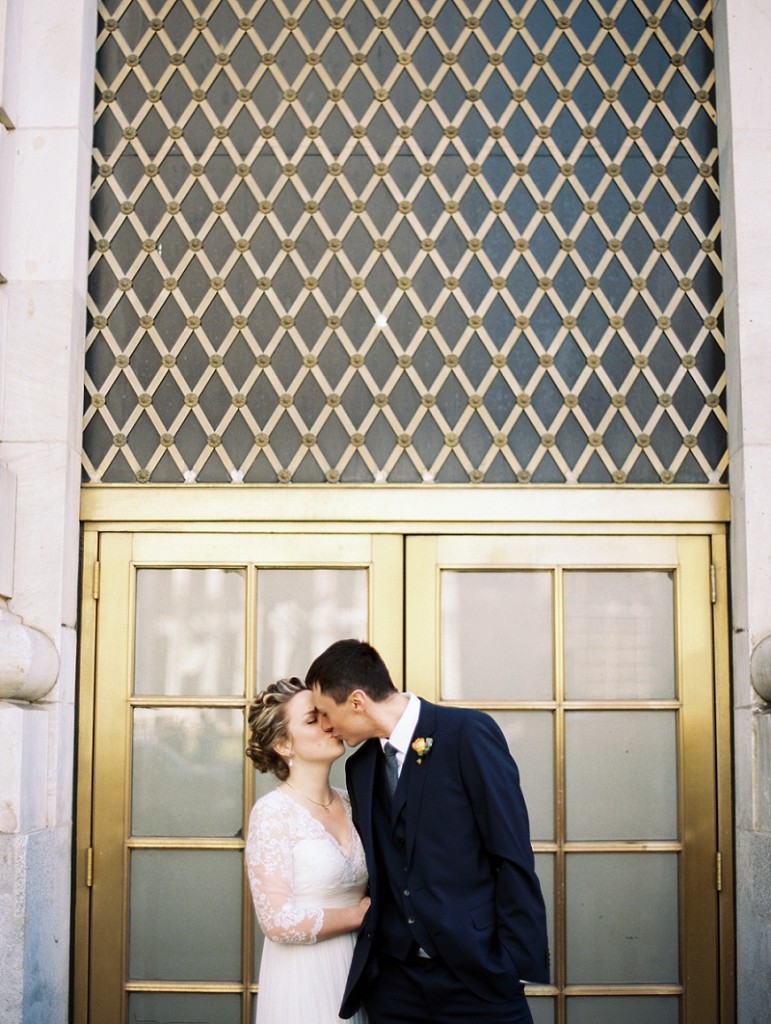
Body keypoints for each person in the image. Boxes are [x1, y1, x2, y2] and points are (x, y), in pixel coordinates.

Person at [306, 639, 549, 1024]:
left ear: (356, 701)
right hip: (395, 985)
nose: (324, 725)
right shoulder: (361, 767)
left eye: (324, 712)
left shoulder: (467, 733)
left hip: (477, 975)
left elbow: (511, 852)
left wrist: (513, 963)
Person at [245, 677, 370, 1024]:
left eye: (325, 714)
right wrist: (359, 916)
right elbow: (277, 921)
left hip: (357, 971)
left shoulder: (352, 802)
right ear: (283, 745)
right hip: (303, 975)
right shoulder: (273, 812)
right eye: (313, 720)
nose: (330, 725)